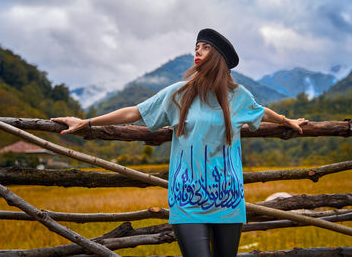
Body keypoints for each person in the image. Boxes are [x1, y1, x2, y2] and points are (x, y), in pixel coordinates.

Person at [51, 28, 308, 257]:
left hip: (228, 198)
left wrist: (287, 120)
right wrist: (88, 122)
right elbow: (134, 112)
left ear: (219, 57)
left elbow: (261, 111)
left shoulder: (238, 96)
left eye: (206, 47)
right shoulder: (179, 93)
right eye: (196, 47)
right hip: (187, 198)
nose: (198, 51)